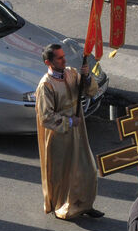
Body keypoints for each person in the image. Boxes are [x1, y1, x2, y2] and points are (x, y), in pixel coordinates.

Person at [35, 43, 103, 220]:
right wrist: (70, 121)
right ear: (48, 62)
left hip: (78, 131)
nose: (64, 59)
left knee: (87, 169)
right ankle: (62, 208)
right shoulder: (46, 86)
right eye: (59, 57)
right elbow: (46, 117)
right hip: (59, 136)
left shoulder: (72, 73)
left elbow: (90, 91)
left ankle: (84, 204)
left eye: (64, 56)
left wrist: (87, 77)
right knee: (63, 175)